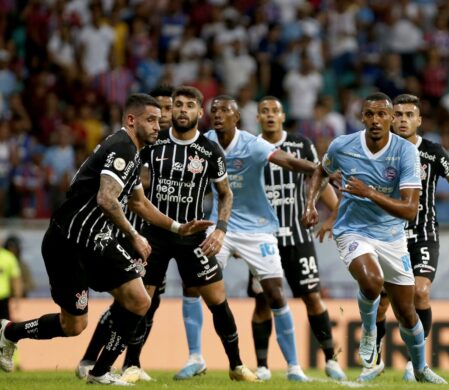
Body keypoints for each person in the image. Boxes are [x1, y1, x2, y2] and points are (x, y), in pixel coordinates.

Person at [0, 93, 212, 385]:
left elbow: (139, 204)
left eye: (158, 120)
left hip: (95, 240)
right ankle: (10, 332)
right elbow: (106, 199)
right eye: (150, 119)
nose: (157, 125)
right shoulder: (122, 147)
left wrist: (177, 227)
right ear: (130, 120)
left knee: (139, 300)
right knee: (73, 325)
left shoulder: (133, 153)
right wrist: (135, 235)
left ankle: (100, 372)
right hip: (69, 243)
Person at [79, 86, 258, 383]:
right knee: (141, 302)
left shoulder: (209, 150)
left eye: (190, 105)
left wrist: (222, 229)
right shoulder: (153, 142)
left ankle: (237, 365)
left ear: (200, 113)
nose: (183, 110)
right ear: (170, 111)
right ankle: (131, 365)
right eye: (178, 105)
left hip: (192, 235)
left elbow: (226, 194)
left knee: (217, 299)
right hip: (154, 235)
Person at [302, 92, 446, 384]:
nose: (376, 120)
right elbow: (320, 171)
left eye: (383, 115)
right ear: (362, 117)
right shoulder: (343, 145)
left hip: (392, 236)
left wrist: (368, 192)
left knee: (407, 312)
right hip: (352, 230)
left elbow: (409, 210)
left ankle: (420, 368)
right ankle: (369, 332)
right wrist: (310, 205)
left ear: (392, 119)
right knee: (372, 281)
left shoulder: (406, 152)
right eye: (370, 114)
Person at [176, 95, 318, 382]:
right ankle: (195, 357)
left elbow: (287, 161)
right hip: (220, 228)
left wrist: (318, 169)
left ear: (236, 117)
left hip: (257, 229)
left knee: (275, 294)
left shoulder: (252, 144)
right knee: (192, 284)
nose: (217, 115)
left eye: (224, 111)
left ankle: (294, 368)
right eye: (213, 111)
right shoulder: (204, 143)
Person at [366, 94, 449, 381]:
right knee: (382, 301)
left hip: (423, 236)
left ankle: (416, 363)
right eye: (398, 114)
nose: (402, 120)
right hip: (388, 237)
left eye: (408, 115)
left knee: (421, 292)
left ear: (419, 120)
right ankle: (374, 359)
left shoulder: (433, 152)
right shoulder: (378, 150)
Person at [77, 85, 176, 383]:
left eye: (166, 112)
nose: (162, 119)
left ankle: (128, 362)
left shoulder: (164, 145)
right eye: (157, 113)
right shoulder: (132, 145)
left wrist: (175, 227)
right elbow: (132, 196)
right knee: (132, 299)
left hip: (152, 234)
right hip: (126, 230)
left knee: (147, 300)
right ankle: (96, 361)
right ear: (136, 117)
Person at [246, 96, 346, 381]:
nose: (268, 116)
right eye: (263, 111)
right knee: (263, 302)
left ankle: (330, 360)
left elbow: (318, 180)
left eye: (273, 111)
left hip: (298, 238)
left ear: (282, 115)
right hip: (263, 240)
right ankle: (263, 367)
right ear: (257, 118)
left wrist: (335, 211)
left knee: (313, 297)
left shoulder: (300, 144)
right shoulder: (251, 147)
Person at [0, 237, 22, 320]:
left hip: (3, 299)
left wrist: (17, 298)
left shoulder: (9, 257)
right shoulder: (9, 257)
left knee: (4, 325)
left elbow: (16, 279)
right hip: (3, 298)